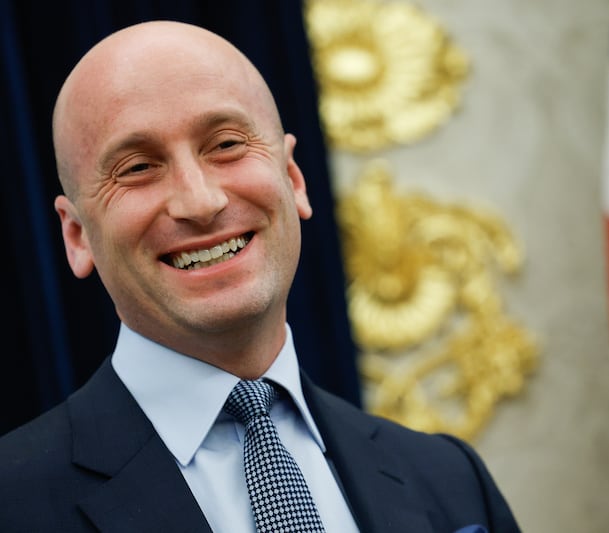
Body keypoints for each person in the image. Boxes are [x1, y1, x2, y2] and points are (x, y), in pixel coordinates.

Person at [0, 20, 520, 533]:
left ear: (293, 178)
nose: (201, 201)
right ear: (77, 235)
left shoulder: (452, 481)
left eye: (226, 145)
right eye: (138, 167)